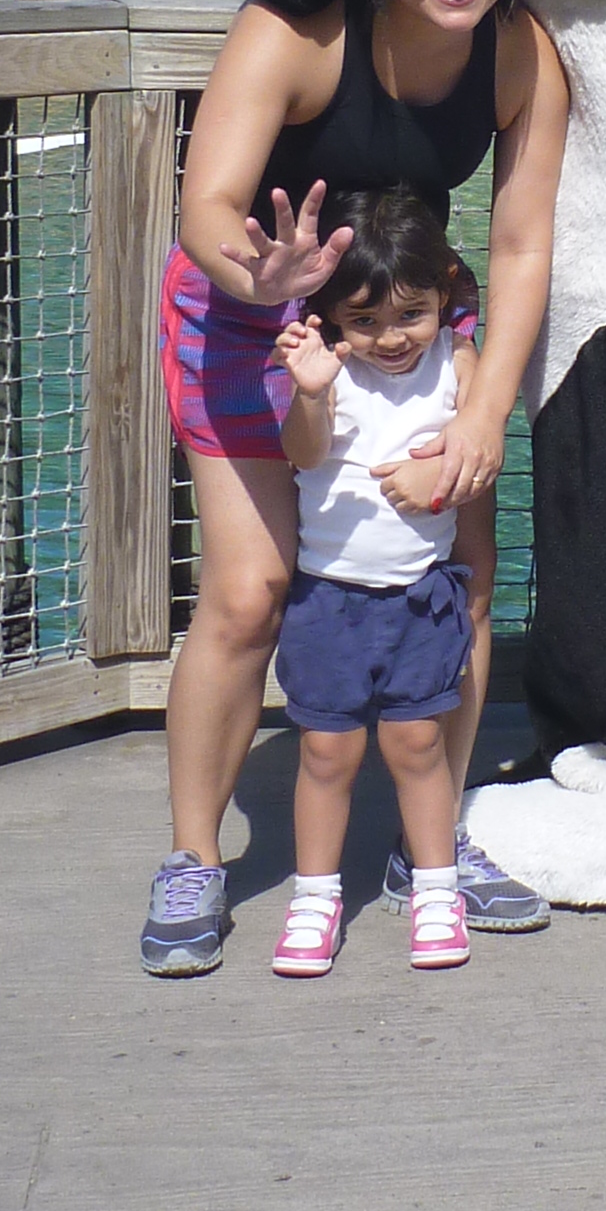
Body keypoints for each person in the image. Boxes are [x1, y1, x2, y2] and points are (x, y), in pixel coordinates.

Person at [139, 0, 571, 976]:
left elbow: (522, 241)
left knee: (457, 579)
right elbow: (207, 203)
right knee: (250, 592)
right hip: (251, 316)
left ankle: (434, 849)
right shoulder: (299, 30)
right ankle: (194, 858)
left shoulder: (520, 51)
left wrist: (483, 412)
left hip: (413, 327)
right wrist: (262, 275)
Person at [264, 191, 484, 979]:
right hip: (329, 598)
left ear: (445, 294)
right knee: (326, 751)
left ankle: (436, 888)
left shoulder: (459, 361)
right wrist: (310, 390)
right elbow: (304, 454)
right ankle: (314, 897)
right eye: (364, 321)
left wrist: (441, 469)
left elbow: (479, 434)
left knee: (418, 743)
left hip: (421, 595)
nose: (391, 338)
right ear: (329, 314)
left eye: (411, 314)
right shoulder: (323, 368)